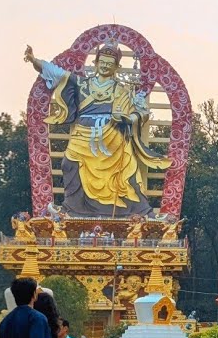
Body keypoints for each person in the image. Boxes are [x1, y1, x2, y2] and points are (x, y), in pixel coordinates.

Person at [24, 42, 171, 217]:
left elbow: (141, 113)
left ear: (116, 67)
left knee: (125, 169)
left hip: (111, 134)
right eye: (102, 62)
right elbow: (55, 71)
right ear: (95, 62)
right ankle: (71, 209)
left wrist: (127, 119)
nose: (105, 66)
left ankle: (139, 212)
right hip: (83, 132)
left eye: (110, 63)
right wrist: (34, 60)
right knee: (68, 163)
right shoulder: (81, 83)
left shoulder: (121, 89)